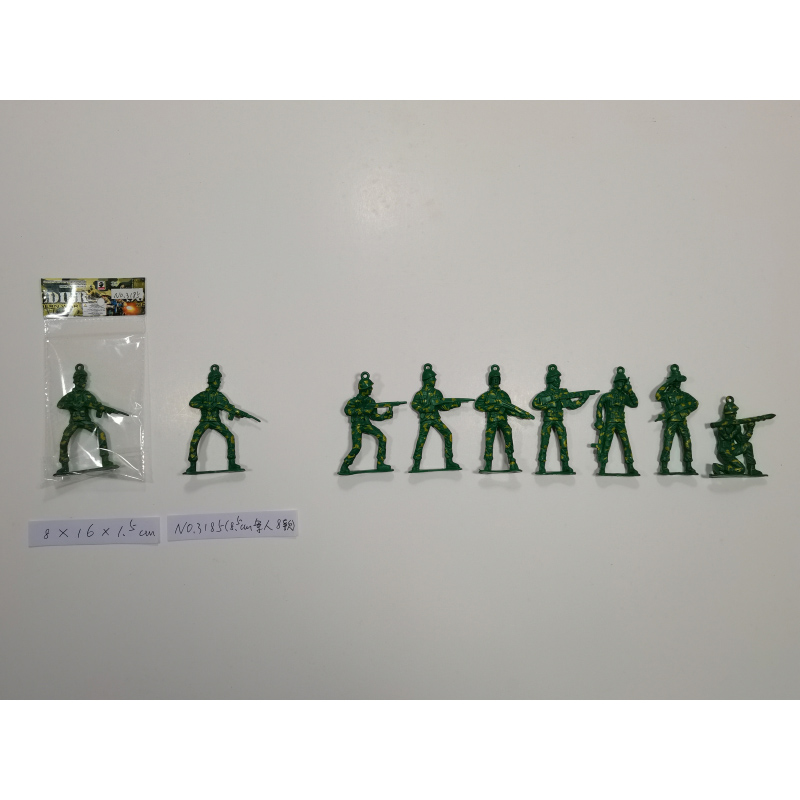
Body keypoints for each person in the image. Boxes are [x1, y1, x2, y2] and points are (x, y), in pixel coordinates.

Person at [185, 364, 259, 474]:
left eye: (220, 381)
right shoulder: (203, 395)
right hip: (204, 421)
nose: (219, 383)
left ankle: (232, 462)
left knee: (230, 436)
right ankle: (192, 465)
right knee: (194, 440)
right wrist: (206, 405)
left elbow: (228, 407)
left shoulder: (220, 396)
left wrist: (238, 413)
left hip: (216, 421)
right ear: (212, 380)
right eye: (218, 380)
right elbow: (192, 403)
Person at [55, 363, 125, 475]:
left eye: (84, 379)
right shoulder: (70, 396)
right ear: (75, 380)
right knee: (64, 441)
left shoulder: (88, 395)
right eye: (81, 379)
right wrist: (74, 404)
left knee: (101, 434)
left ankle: (105, 460)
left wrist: (100, 410)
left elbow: (97, 407)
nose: (84, 381)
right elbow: (60, 404)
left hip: (86, 422)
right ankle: (64, 465)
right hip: (74, 422)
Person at [531, 364, 597, 474]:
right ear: (551, 380)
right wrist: (549, 404)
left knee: (564, 443)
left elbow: (572, 405)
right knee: (544, 444)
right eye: (557, 379)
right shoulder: (544, 394)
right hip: (547, 421)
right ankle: (541, 466)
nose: (559, 381)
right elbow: (535, 403)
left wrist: (584, 398)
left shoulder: (562, 393)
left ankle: (565, 465)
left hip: (559, 421)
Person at [475, 364, 533, 472]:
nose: (495, 381)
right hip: (492, 421)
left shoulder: (504, 395)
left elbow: (509, 409)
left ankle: (511, 460)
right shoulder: (486, 395)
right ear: (490, 380)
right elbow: (478, 405)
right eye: (493, 379)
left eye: (497, 379)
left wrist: (521, 415)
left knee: (508, 435)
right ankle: (488, 463)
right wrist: (493, 407)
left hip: (503, 421)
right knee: (489, 442)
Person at [410, 363, 466, 472]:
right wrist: (426, 409)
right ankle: (416, 464)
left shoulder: (437, 393)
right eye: (433, 378)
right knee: (421, 440)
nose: (435, 380)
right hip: (426, 420)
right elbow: (414, 405)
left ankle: (449, 461)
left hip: (435, 418)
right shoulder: (419, 394)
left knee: (448, 434)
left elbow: (442, 407)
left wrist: (454, 405)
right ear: (427, 379)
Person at [339, 371, 397, 475]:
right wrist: (362, 410)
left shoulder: (371, 401)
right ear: (364, 389)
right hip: (357, 425)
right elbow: (347, 410)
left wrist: (385, 416)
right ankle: (345, 465)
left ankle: (380, 463)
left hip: (366, 424)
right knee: (357, 447)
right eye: (370, 388)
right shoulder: (354, 401)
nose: (371, 389)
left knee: (382, 438)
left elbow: (374, 416)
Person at [594, 366, 639, 476]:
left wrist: (630, 391)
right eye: (620, 382)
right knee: (606, 443)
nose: (621, 384)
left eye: (623, 382)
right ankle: (602, 466)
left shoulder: (624, 396)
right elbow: (599, 406)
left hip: (621, 423)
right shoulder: (607, 396)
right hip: (609, 423)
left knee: (626, 444)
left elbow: (634, 404)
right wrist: (599, 420)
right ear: (615, 383)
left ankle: (630, 466)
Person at [655, 364, 698, 475]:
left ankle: (688, 465)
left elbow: (695, 403)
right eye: (676, 381)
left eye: (679, 382)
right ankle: (664, 465)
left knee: (687, 442)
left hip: (682, 421)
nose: (678, 383)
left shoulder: (684, 395)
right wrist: (667, 383)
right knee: (667, 443)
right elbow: (658, 395)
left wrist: (684, 412)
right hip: (671, 422)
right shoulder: (667, 394)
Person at [711, 396, 771, 476]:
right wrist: (736, 430)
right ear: (729, 414)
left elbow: (742, 440)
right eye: (734, 413)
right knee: (740, 469)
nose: (735, 415)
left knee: (748, 445)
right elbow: (728, 437)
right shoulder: (722, 426)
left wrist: (750, 429)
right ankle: (719, 467)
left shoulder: (736, 426)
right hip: (725, 451)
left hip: (732, 449)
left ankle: (752, 469)